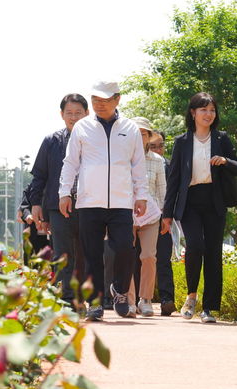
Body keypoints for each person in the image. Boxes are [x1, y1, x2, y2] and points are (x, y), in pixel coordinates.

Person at [59, 81, 149, 321]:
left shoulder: (130, 129)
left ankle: (119, 290)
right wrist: (64, 192)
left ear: (117, 99)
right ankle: (95, 303)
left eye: (105, 100)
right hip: (89, 201)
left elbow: (138, 165)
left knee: (124, 249)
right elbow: (71, 162)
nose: (99, 104)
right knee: (92, 254)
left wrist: (141, 195)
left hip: (121, 201)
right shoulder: (82, 127)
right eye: (96, 99)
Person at [161, 92, 237, 323]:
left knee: (214, 253)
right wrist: (167, 214)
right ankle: (192, 295)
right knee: (195, 246)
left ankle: (209, 308)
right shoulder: (182, 142)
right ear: (193, 112)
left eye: (212, 110)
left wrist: (225, 161)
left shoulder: (222, 139)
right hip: (189, 202)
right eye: (203, 110)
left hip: (214, 201)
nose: (208, 114)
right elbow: (174, 179)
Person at [28, 94, 89, 307]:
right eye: (69, 113)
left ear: (87, 114)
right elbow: (39, 176)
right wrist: (36, 204)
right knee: (63, 252)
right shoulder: (51, 141)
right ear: (62, 115)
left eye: (78, 113)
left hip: (89, 204)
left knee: (86, 252)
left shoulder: (95, 141)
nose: (73, 117)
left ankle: (86, 297)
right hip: (58, 206)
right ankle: (66, 299)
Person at [126, 117, 163, 318]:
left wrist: (166, 216)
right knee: (126, 256)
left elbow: (162, 190)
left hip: (151, 216)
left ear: (149, 137)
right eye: (137, 132)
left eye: (144, 133)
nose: (140, 136)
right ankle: (130, 301)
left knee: (148, 256)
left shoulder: (158, 161)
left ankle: (145, 299)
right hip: (125, 213)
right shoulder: (122, 158)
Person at [148, 131, 177, 316]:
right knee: (141, 259)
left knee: (164, 260)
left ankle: (167, 300)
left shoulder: (170, 165)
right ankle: (137, 300)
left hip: (163, 218)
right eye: (153, 146)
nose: (159, 149)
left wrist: (169, 215)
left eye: (161, 145)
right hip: (140, 219)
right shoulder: (136, 162)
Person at [17, 183, 51, 262]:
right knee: (30, 260)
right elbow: (24, 206)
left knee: (51, 260)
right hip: (32, 232)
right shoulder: (31, 187)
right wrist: (28, 215)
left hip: (51, 232)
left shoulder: (55, 185)